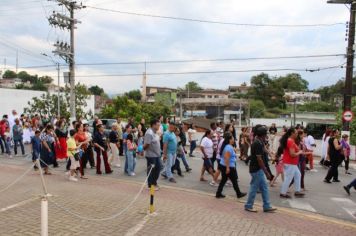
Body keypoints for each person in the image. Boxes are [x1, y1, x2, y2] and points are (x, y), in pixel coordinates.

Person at [245, 126, 276, 213]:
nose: (267, 135)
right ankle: (248, 205)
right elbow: (259, 159)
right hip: (256, 170)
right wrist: (266, 172)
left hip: (258, 169)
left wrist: (271, 154)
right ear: (262, 135)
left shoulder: (259, 141)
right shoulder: (257, 143)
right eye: (266, 134)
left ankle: (267, 206)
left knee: (264, 188)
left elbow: (264, 148)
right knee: (254, 188)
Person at [216, 133, 246, 199]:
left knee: (224, 180)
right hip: (229, 166)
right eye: (232, 138)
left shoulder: (227, 146)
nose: (234, 139)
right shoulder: (228, 147)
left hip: (224, 165)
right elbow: (227, 157)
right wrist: (227, 168)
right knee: (234, 180)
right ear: (229, 140)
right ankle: (238, 193)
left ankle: (218, 193)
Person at [280, 127, 306, 198]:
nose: (297, 134)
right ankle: (283, 193)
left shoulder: (291, 140)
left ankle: (297, 191)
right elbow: (292, 154)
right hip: (290, 163)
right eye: (296, 133)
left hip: (292, 163)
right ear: (292, 133)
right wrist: (300, 152)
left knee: (298, 175)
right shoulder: (290, 141)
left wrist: (300, 151)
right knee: (288, 178)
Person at [144, 119, 162, 190]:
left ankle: (154, 183)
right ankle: (150, 186)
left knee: (158, 168)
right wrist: (142, 149)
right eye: (158, 125)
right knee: (151, 170)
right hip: (151, 156)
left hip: (157, 155)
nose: (159, 126)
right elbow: (146, 144)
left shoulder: (155, 132)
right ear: (153, 125)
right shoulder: (149, 133)